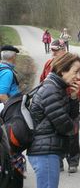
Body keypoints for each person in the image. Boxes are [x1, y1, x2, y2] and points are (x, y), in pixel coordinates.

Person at [27, 52, 80, 188]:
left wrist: (74, 98)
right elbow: (67, 127)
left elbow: (70, 116)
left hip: (48, 151)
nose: (78, 77)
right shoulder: (51, 90)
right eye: (76, 72)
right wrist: (75, 126)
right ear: (63, 70)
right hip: (45, 153)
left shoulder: (58, 87)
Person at [40, 39, 80, 173]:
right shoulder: (48, 64)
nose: (52, 52)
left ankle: (73, 160)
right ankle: (58, 161)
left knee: (72, 132)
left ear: (63, 50)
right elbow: (42, 81)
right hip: (54, 103)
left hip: (70, 103)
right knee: (56, 133)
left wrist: (74, 98)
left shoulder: (74, 66)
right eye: (52, 50)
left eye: (56, 50)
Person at [0, 45, 23, 188]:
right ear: (13, 57)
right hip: (7, 116)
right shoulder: (7, 72)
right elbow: (2, 95)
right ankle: (13, 178)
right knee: (13, 148)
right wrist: (11, 110)